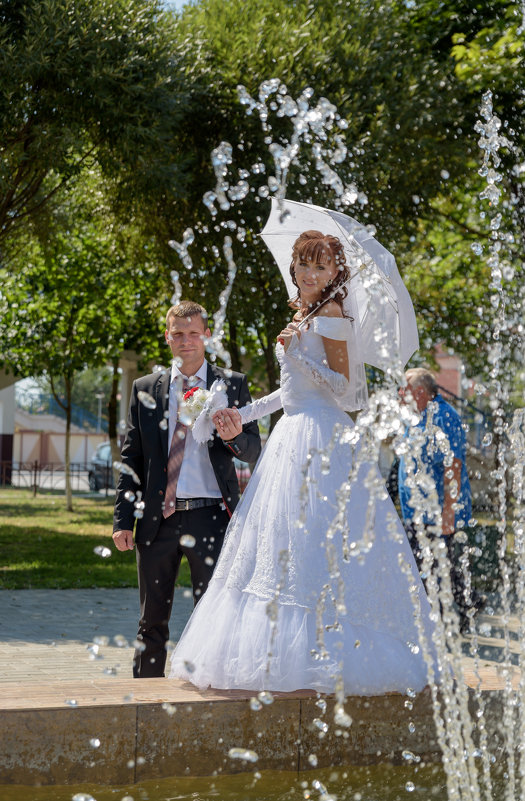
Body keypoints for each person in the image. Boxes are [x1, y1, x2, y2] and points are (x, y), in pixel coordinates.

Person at [170, 232, 436, 695]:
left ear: (336, 274)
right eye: (303, 265)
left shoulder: (333, 317)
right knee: (279, 542)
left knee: (314, 540)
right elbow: (289, 393)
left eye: (321, 267)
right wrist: (244, 412)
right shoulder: (302, 316)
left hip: (323, 439)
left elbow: (346, 391)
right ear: (293, 268)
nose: (310, 274)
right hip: (290, 432)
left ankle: (324, 651)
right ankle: (278, 652)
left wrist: (297, 351)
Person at [112, 300, 261, 678]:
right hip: (156, 520)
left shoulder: (232, 384)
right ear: (167, 337)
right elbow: (132, 457)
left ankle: (208, 696)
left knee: (213, 620)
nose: (186, 341)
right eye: (178, 334)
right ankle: (143, 705)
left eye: (194, 332)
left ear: (206, 335)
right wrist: (122, 519)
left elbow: (253, 451)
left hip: (212, 517)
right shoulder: (147, 388)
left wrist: (235, 435)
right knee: (151, 623)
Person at [397, 367, 482, 632]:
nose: (400, 393)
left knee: (431, 568)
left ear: (420, 392)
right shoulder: (418, 418)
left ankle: (440, 625)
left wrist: (449, 513)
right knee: (437, 565)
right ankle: (468, 606)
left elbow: (452, 467)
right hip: (418, 511)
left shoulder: (444, 416)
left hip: (436, 510)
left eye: (404, 388)